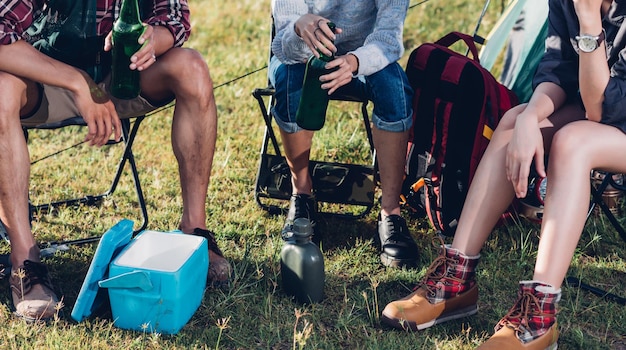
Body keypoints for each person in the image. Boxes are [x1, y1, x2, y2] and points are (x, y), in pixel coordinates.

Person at [381, 0, 625, 348]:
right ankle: (456, 280)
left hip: (611, 110)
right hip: (603, 106)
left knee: (573, 142)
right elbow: (558, 71)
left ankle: (539, 318)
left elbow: (600, 108)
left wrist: (588, 19)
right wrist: (527, 118)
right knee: (512, 123)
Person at [0, 0, 230, 321]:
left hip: (123, 78)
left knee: (190, 66)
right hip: (46, 80)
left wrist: (155, 38)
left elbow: (175, 17)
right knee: (0, 91)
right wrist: (79, 82)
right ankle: (25, 263)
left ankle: (195, 230)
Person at [269, 0, 420, 268]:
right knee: (288, 86)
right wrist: (298, 28)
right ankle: (301, 193)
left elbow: (388, 38)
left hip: (366, 54)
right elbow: (284, 48)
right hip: (301, 56)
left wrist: (354, 62)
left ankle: (390, 213)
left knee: (396, 92)